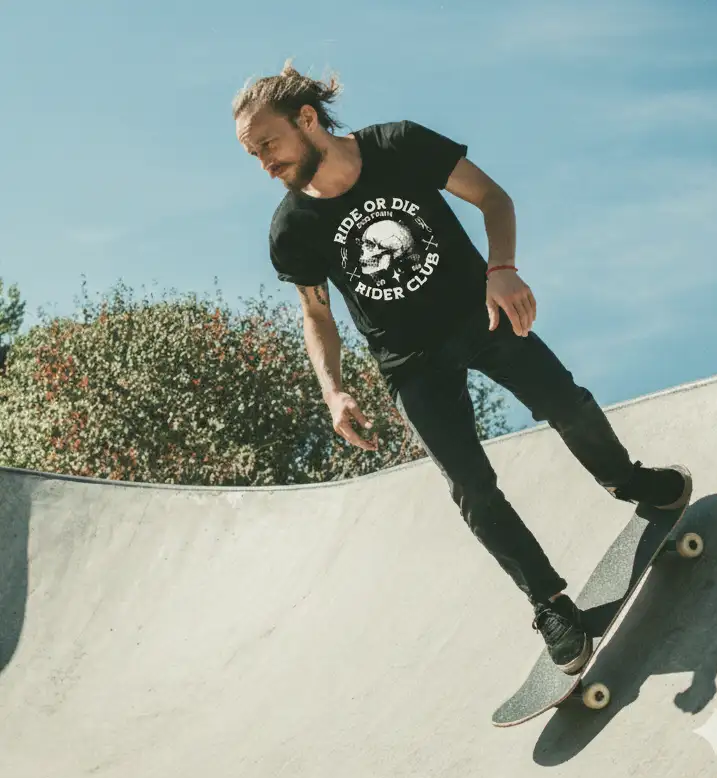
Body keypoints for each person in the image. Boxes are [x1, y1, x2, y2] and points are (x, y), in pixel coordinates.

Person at [232, 61, 692, 675]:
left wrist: (502, 268)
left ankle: (628, 482)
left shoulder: (399, 145)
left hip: (482, 317)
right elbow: (316, 314)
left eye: (268, 144)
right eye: (252, 154)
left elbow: (492, 198)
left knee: (567, 404)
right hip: (409, 364)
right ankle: (549, 603)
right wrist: (334, 391)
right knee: (472, 489)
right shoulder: (292, 228)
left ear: (307, 120)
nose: (264, 163)